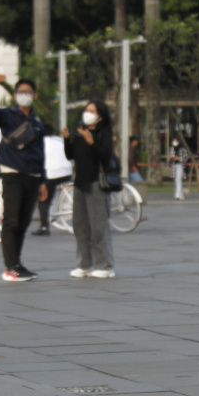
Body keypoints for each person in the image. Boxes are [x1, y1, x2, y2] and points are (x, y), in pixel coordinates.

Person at [0, 72, 48, 282]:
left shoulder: (36, 123)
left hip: (33, 175)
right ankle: (10, 266)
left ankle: (17, 263)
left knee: (23, 221)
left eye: (28, 92)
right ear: (15, 95)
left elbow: (40, 152)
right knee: (11, 220)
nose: (24, 95)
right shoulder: (7, 116)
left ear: (35, 95)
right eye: (20, 92)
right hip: (12, 173)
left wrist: (43, 179)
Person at [63, 100, 116, 279]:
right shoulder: (80, 132)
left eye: (92, 111)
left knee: (99, 226)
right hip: (80, 183)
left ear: (100, 116)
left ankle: (105, 266)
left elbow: (106, 155)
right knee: (80, 226)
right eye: (86, 110)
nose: (88, 113)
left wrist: (91, 142)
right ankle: (85, 264)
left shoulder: (103, 133)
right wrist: (66, 139)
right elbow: (70, 155)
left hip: (97, 184)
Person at [32, 124, 73, 237]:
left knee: (43, 199)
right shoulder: (58, 140)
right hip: (67, 172)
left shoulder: (40, 143)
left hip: (52, 174)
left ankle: (44, 227)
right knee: (52, 193)